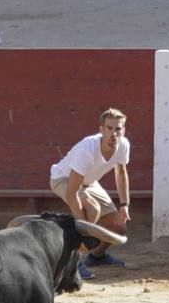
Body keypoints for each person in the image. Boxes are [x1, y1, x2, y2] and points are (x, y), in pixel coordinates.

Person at [49, 108, 132, 279]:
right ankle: (73, 263)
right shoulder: (86, 150)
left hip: (88, 182)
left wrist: (124, 204)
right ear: (101, 130)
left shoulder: (123, 145)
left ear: (123, 130)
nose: (113, 133)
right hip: (63, 179)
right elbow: (72, 193)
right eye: (109, 128)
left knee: (119, 227)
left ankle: (96, 257)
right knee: (92, 210)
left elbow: (121, 172)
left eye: (118, 129)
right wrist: (82, 228)